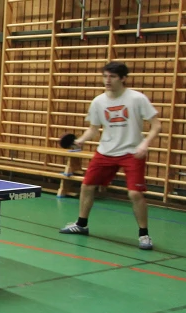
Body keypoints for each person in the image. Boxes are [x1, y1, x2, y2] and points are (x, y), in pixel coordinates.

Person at [59, 62, 162, 250]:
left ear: (123, 78)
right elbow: (93, 129)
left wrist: (145, 143)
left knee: (135, 193)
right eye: (105, 76)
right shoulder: (98, 101)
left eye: (112, 76)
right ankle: (81, 224)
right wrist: (81, 141)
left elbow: (156, 125)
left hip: (131, 152)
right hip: (105, 151)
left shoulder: (137, 98)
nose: (107, 80)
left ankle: (144, 235)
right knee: (87, 186)